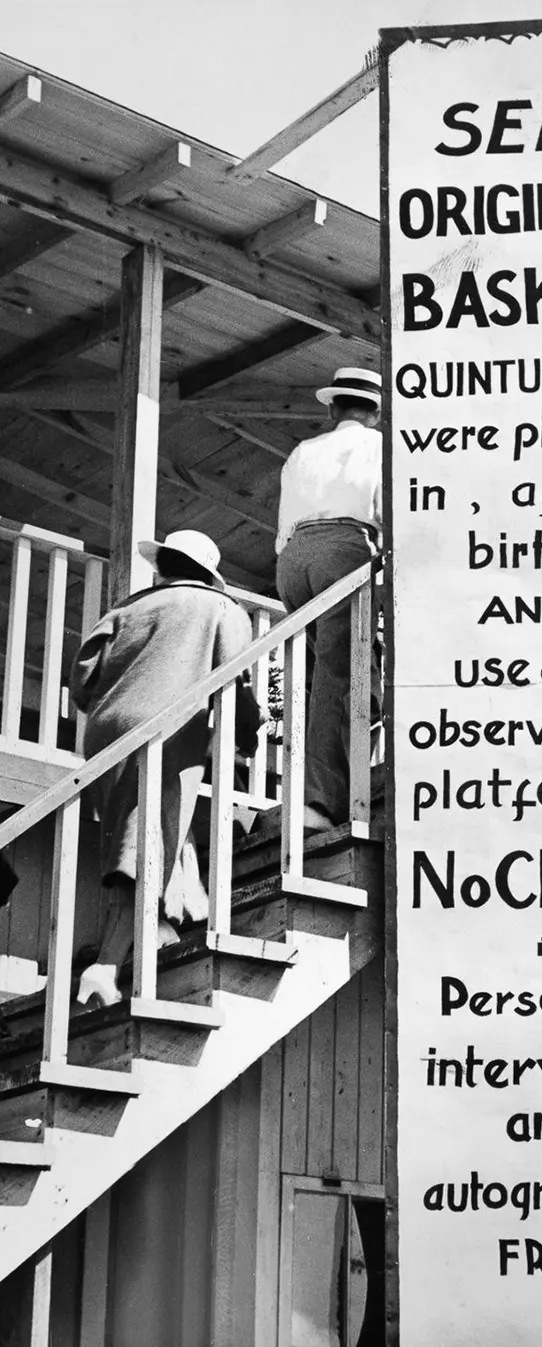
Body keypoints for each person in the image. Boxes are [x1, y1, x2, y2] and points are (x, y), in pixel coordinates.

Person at [70, 529, 262, 1008]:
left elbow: (82, 680)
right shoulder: (221, 610)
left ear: (166, 566)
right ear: (209, 575)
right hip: (167, 729)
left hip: (105, 728)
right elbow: (232, 682)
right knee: (143, 845)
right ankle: (105, 968)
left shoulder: (128, 608)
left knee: (153, 831)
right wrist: (246, 732)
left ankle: (169, 926)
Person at [275, 366, 382, 828]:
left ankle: (309, 787)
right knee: (344, 678)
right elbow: (384, 509)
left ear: (334, 407)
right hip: (345, 548)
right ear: (375, 414)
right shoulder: (379, 447)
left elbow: (282, 529)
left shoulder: (303, 450)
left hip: (294, 558)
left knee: (320, 680)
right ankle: (319, 800)